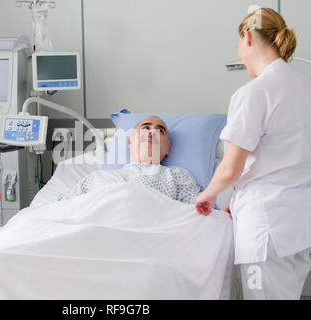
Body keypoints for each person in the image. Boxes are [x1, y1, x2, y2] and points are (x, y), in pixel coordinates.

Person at [195, 8, 311, 299]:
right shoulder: (306, 87)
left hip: (266, 231)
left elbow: (230, 169)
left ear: (247, 36)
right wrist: (237, 197)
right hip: (300, 227)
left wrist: (207, 194)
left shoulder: (254, 93)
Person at [58, 116, 200, 204]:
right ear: (130, 141)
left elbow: (195, 215)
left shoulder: (177, 176)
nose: (152, 132)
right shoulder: (96, 177)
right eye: (146, 127)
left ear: (168, 148)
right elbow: (62, 207)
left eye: (160, 130)